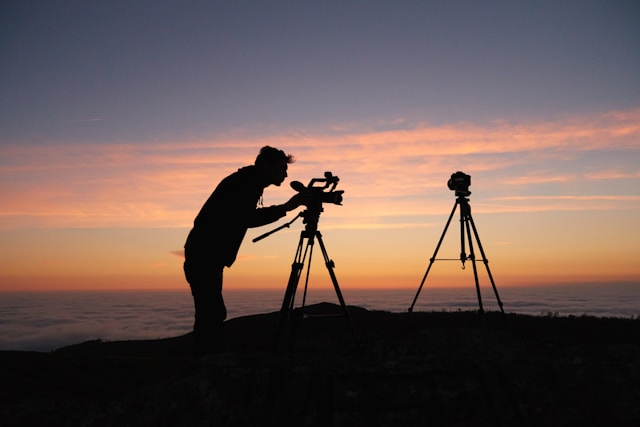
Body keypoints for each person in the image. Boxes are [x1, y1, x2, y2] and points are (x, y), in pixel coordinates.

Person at [183, 146, 310, 357]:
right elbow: (247, 218)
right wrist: (286, 208)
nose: (286, 174)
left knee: (211, 312)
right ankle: (207, 365)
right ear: (266, 165)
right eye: (281, 168)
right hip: (204, 255)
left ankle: (207, 363)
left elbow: (244, 216)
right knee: (211, 313)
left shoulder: (248, 181)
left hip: (207, 255)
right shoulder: (245, 183)